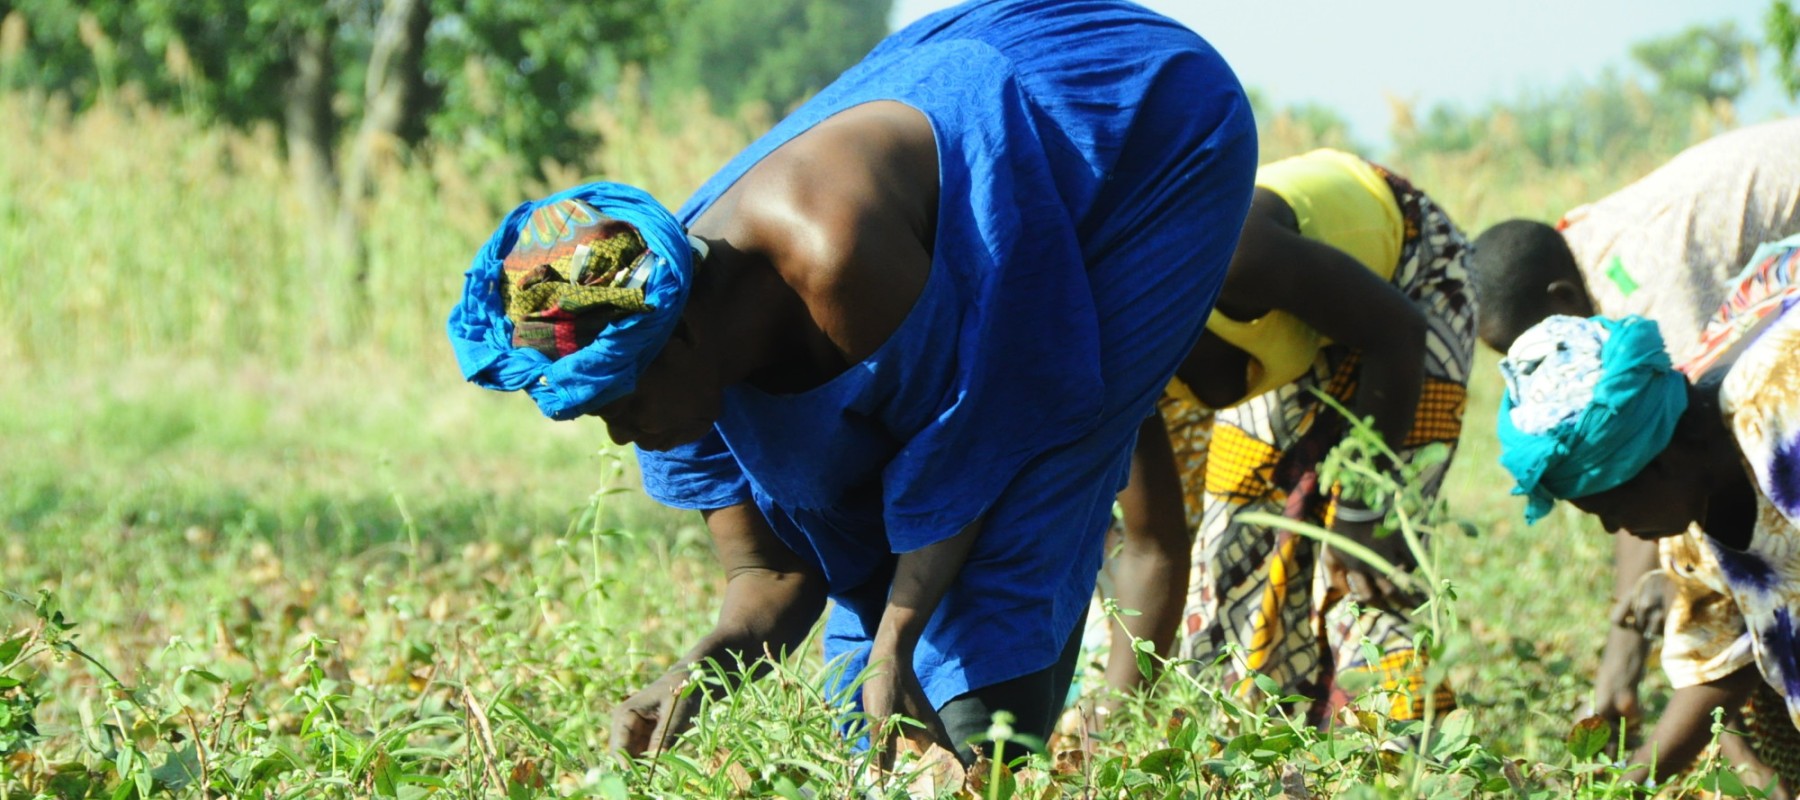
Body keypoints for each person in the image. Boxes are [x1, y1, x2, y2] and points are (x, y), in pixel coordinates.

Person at [447, 0, 1258, 765]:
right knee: (871, 665)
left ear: (687, 334)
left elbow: (980, 441)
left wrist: (900, 632)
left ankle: (1012, 761)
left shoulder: (831, 258)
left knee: (1038, 483)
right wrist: (703, 668)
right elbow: (773, 574)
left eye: (621, 404)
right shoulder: (659, 337)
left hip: (1129, 122)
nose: (620, 434)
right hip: (989, 134)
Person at [1083, 148, 1475, 728]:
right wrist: (1111, 717)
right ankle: (1266, 754)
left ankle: (1411, 756)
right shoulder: (1106, 368)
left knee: (1362, 567)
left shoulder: (1235, 259)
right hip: (1295, 327)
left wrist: (1362, 510)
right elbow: (1155, 545)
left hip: (1408, 281)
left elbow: (1398, 333)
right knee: (1233, 552)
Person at [1467, 117, 1800, 732]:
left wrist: (1623, 656)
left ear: (1563, 301)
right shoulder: (1685, 447)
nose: (1542, 356)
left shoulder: (1661, 300)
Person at [1495, 293, 1800, 795]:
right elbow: (1717, 666)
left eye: (1612, 509)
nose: (1614, 531)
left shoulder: (1777, 420)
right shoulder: (1695, 534)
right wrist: (1626, 788)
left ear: (1660, 459)